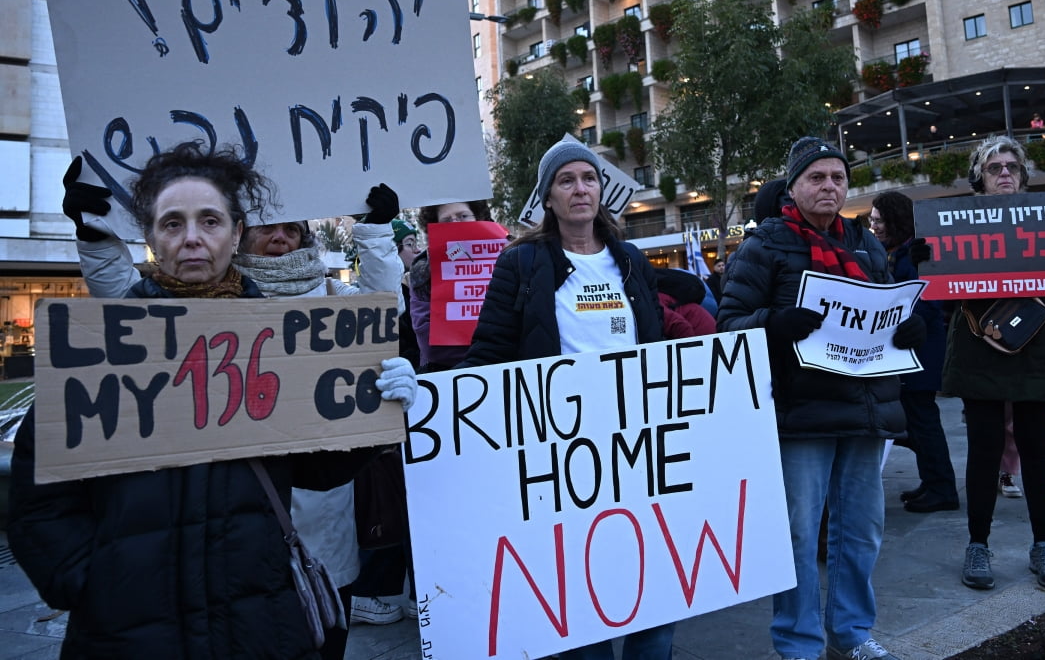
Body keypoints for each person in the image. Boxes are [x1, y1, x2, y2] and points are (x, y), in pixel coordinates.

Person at [10, 142, 417, 660]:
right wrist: (92, 583)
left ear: (234, 232)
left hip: (260, 615)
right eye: (173, 223)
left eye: (209, 220)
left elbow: (317, 467)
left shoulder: (284, 333)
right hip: (129, 629)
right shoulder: (104, 340)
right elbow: (38, 497)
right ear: (152, 235)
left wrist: (375, 405)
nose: (193, 239)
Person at [459, 140, 673, 660]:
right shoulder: (522, 263)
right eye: (566, 181)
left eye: (589, 178)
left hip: (636, 448)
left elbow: (658, 350)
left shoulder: (630, 261)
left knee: (654, 584)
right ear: (548, 198)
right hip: (563, 454)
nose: (580, 189)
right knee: (578, 589)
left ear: (602, 190)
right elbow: (489, 351)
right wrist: (431, 393)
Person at [719, 137, 925, 660]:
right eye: (817, 177)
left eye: (837, 176)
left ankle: (853, 633)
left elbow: (887, 307)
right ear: (794, 186)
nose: (829, 185)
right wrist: (774, 322)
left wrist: (908, 328)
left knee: (861, 532)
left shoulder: (865, 243)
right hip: (800, 414)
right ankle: (798, 642)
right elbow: (727, 326)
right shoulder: (764, 245)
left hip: (864, 408)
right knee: (798, 535)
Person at [935, 135, 1045, 593]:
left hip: (1034, 341)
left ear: (1023, 176)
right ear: (979, 179)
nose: (1004, 172)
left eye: (1011, 166)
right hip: (976, 343)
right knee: (984, 448)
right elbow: (941, 297)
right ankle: (977, 544)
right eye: (993, 167)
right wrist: (926, 264)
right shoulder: (957, 226)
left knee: (1036, 446)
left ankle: (1044, 543)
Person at [870, 192, 957, 513]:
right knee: (919, 421)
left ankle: (942, 488)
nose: (874, 226)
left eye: (878, 220)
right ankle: (934, 482)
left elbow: (927, 299)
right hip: (906, 348)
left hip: (919, 350)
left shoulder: (917, 253)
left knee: (923, 422)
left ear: (895, 219)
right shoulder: (892, 252)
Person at [408, 199, 495, 372]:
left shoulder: (506, 256)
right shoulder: (423, 269)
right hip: (447, 375)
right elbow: (429, 340)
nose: (455, 224)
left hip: (503, 371)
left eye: (463, 216)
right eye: (447, 220)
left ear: (478, 218)